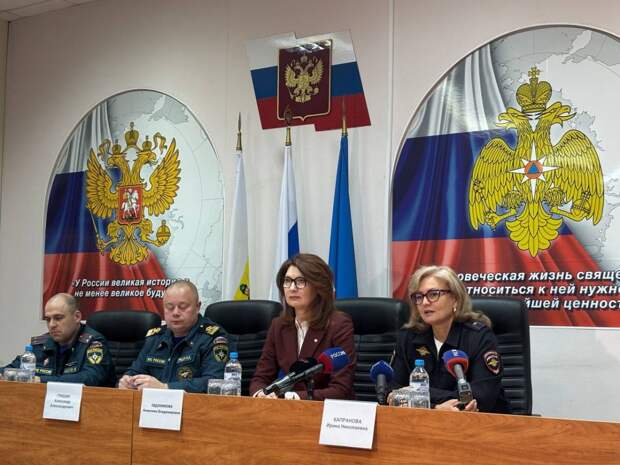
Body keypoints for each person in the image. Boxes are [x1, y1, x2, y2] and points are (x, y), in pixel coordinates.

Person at [390, 265, 511, 413]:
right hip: (422, 422)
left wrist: (417, 394)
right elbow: (393, 391)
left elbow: (482, 396)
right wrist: (435, 407)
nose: (425, 302)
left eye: (433, 294)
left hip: (481, 423)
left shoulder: (479, 337)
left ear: (455, 299)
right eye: (419, 297)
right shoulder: (408, 337)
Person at [250, 253, 356, 400]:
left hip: (328, 411)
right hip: (287, 409)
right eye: (287, 281)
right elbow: (261, 377)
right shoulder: (278, 326)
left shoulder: (338, 325)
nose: (292, 288)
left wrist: (292, 397)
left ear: (318, 286)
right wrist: (260, 394)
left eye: (300, 281)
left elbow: (340, 389)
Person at [118, 280, 230, 393]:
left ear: (197, 307)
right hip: (153, 404)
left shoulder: (215, 338)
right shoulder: (155, 338)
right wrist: (127, 381)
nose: (175, 313)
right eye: (170, 307)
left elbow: (215, 382)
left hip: (194, 404)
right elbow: (135, 371)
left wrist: (165, 388)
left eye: (183, 307)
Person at [2, 293, 116, 386]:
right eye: (48, 319)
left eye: (58, 318)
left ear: (77, 317)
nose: (52, 325)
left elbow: (89, 378)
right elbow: (12, 369)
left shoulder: (94, 343)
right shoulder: (42, 344)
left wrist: (40, 380)